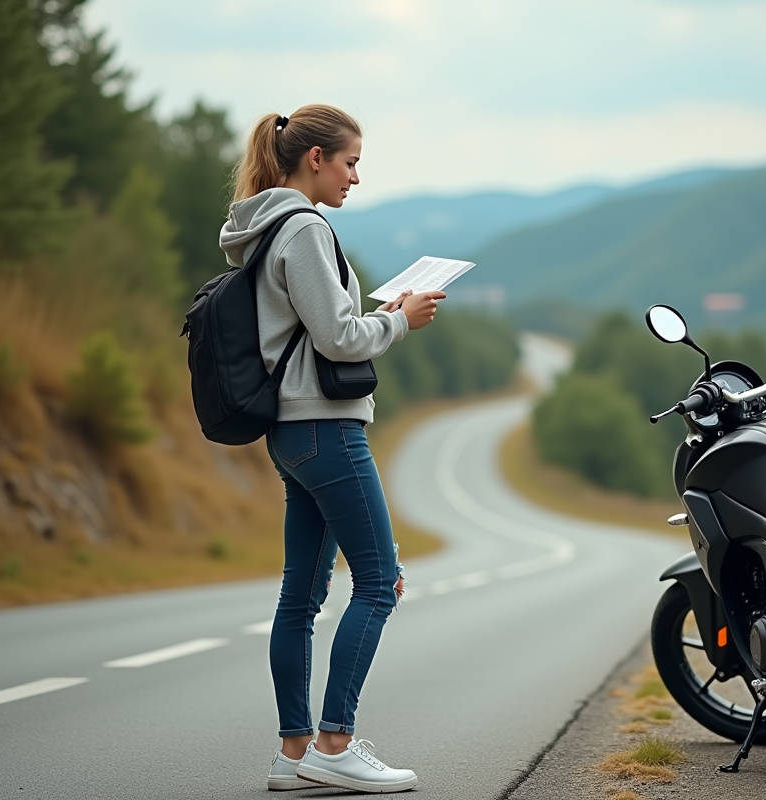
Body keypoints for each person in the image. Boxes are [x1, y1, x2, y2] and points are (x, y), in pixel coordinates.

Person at [220, 104, 444, 793]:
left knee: (301, 597)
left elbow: (319, 326)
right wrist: (400, 323)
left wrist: (375, 317)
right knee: (379, 583)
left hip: (291, 432)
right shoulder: (306, 227)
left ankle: (294, 756)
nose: (355, 177)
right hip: (326, 427)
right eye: (349, 163)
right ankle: (335, 742)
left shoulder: (259, 227)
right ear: (314, 159)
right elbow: (338, 341)